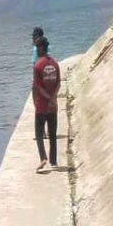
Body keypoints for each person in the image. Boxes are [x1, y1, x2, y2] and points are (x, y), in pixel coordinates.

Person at [33, 37, 62, 171]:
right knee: (52, 133)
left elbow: (38, 87)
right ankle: (54, 161)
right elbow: (58, 83)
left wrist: (47, 98)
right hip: (53, 106)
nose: (36, 50)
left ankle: (43, 158)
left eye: (37, 47)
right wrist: (53, 97)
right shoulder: (55, 64)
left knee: (39, 133)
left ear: (40, 48)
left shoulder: (38, 65)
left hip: (42, 106)